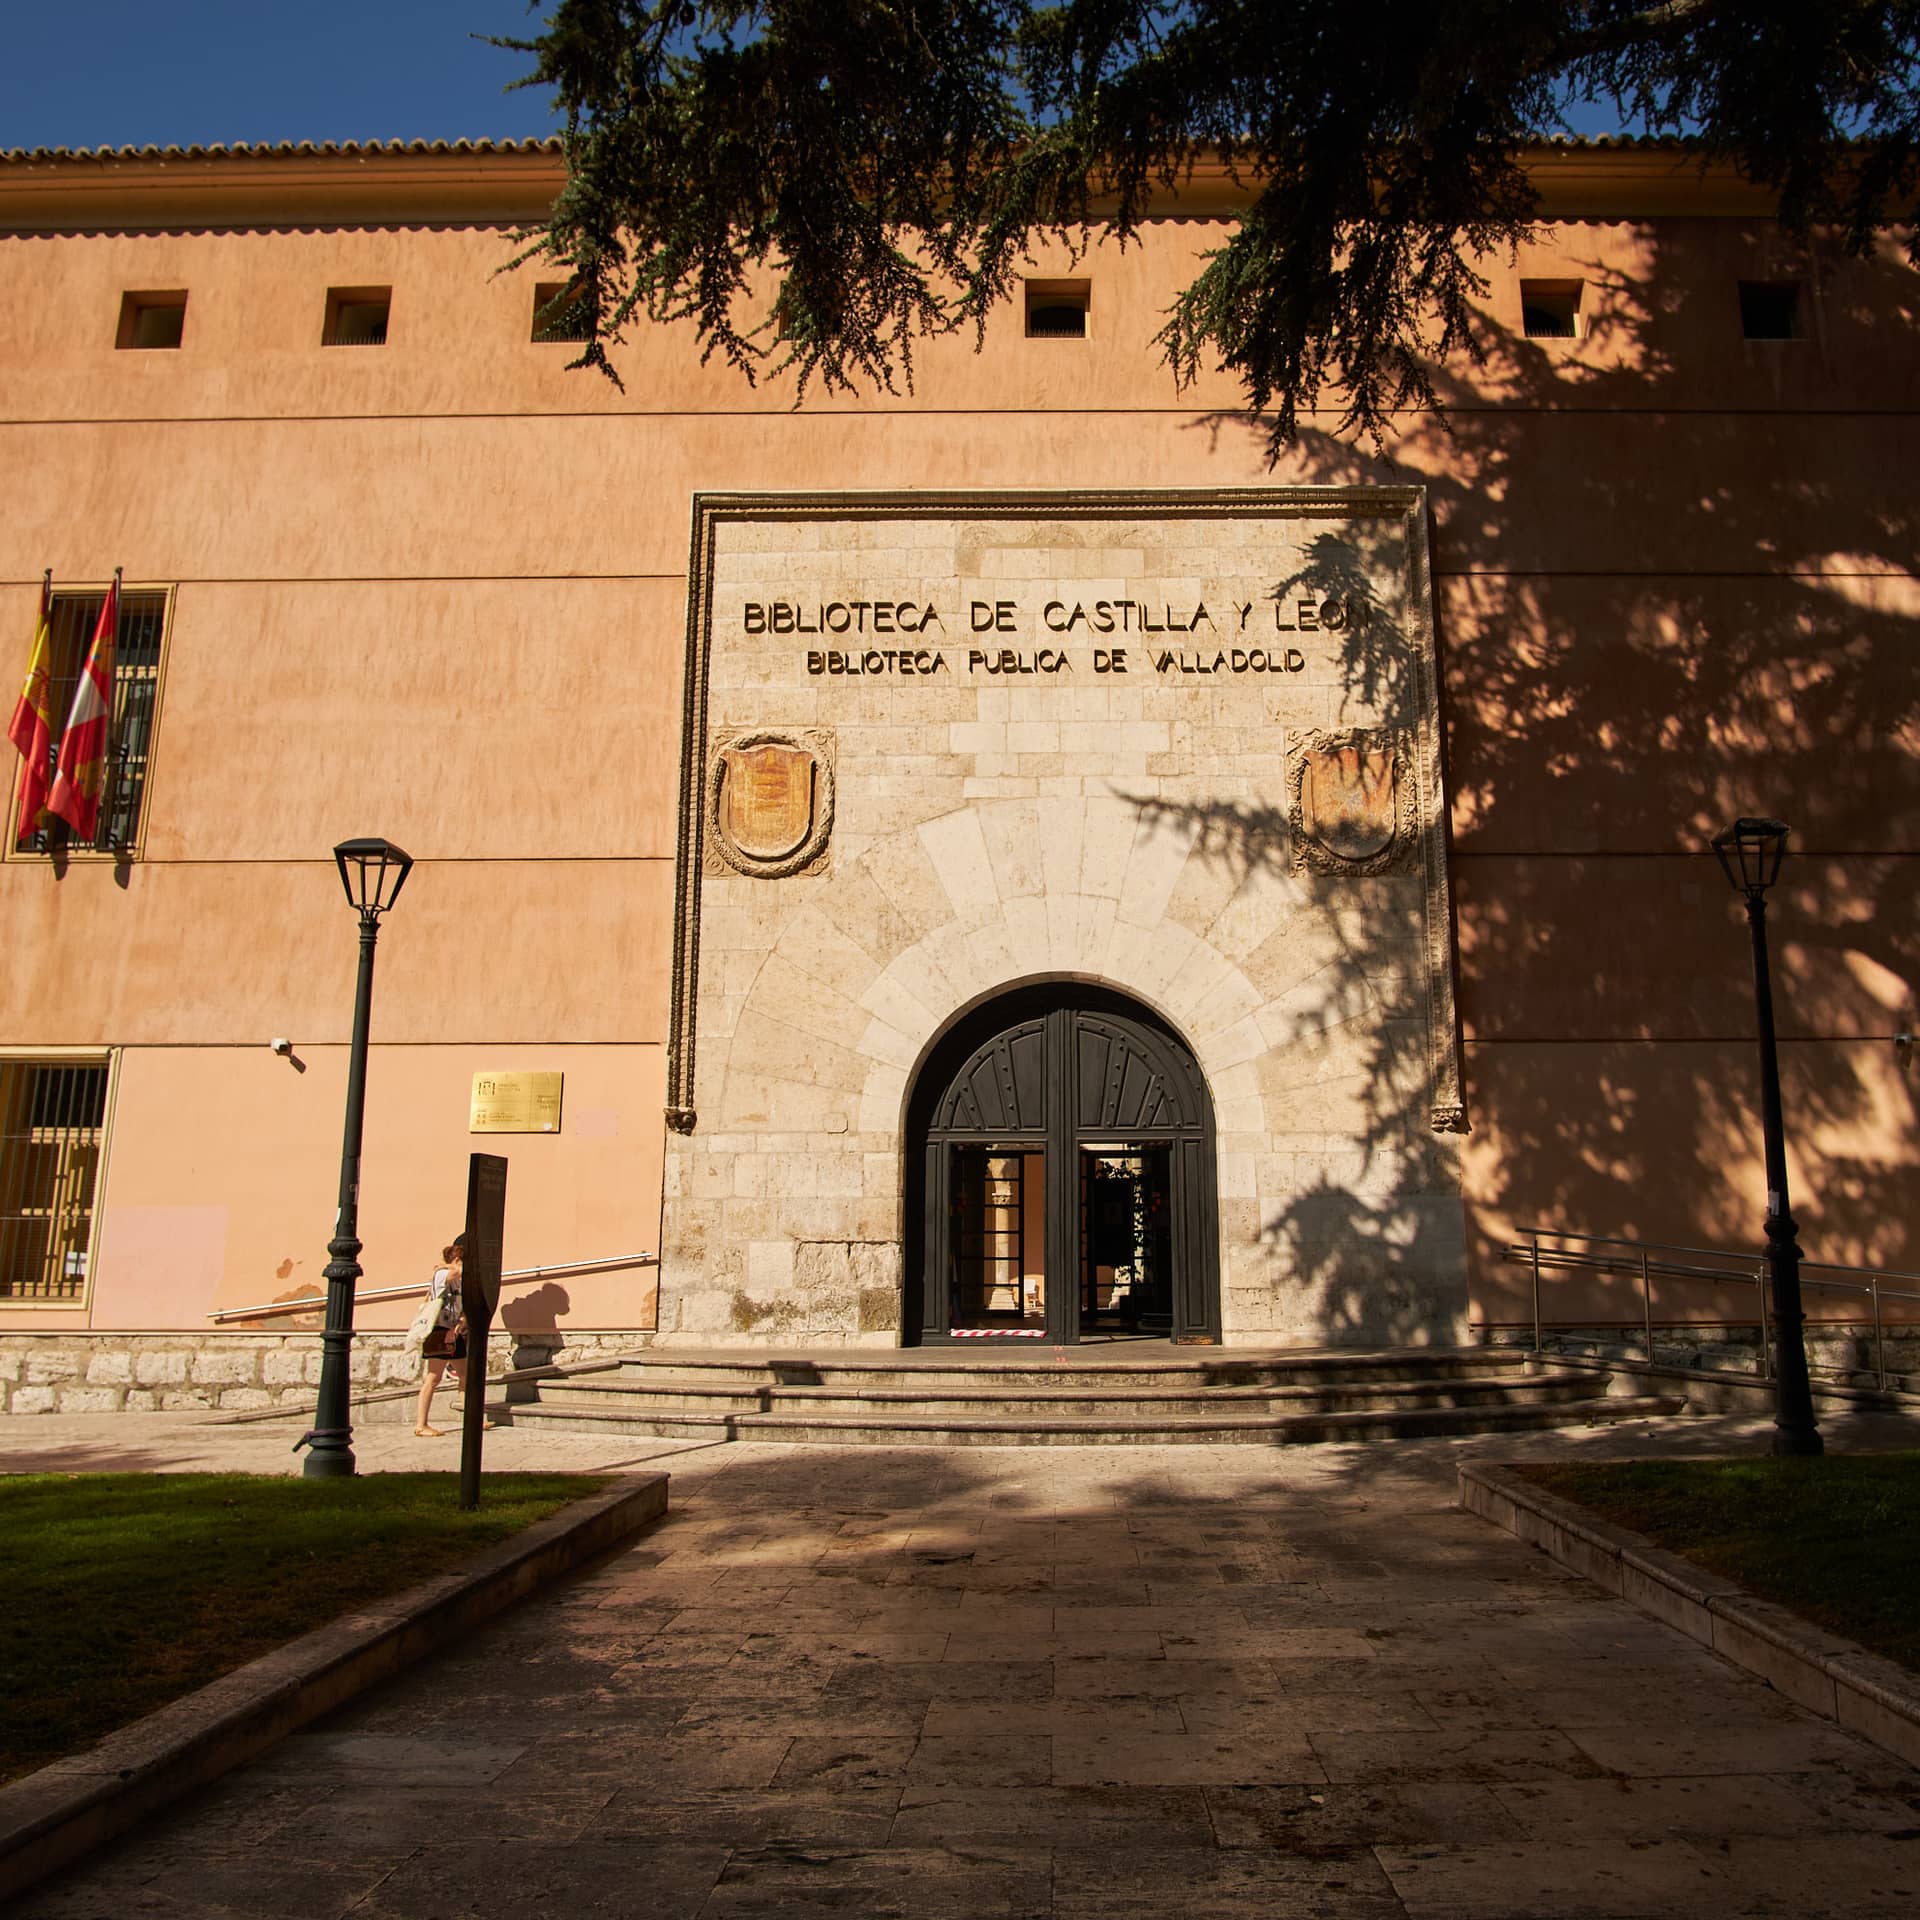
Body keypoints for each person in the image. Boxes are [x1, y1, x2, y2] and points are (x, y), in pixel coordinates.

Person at [413, 1237, 466, 1437]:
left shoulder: (456, 1278)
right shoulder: (442, 1274)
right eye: (462, 1260)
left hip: (453, 1331)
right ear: (456, 1260)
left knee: (464, 1375)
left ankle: (472, 1419)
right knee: (433, 1377)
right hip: (439, 1331)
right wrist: (448, 1265)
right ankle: (421, 1424)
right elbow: (457, 1271)